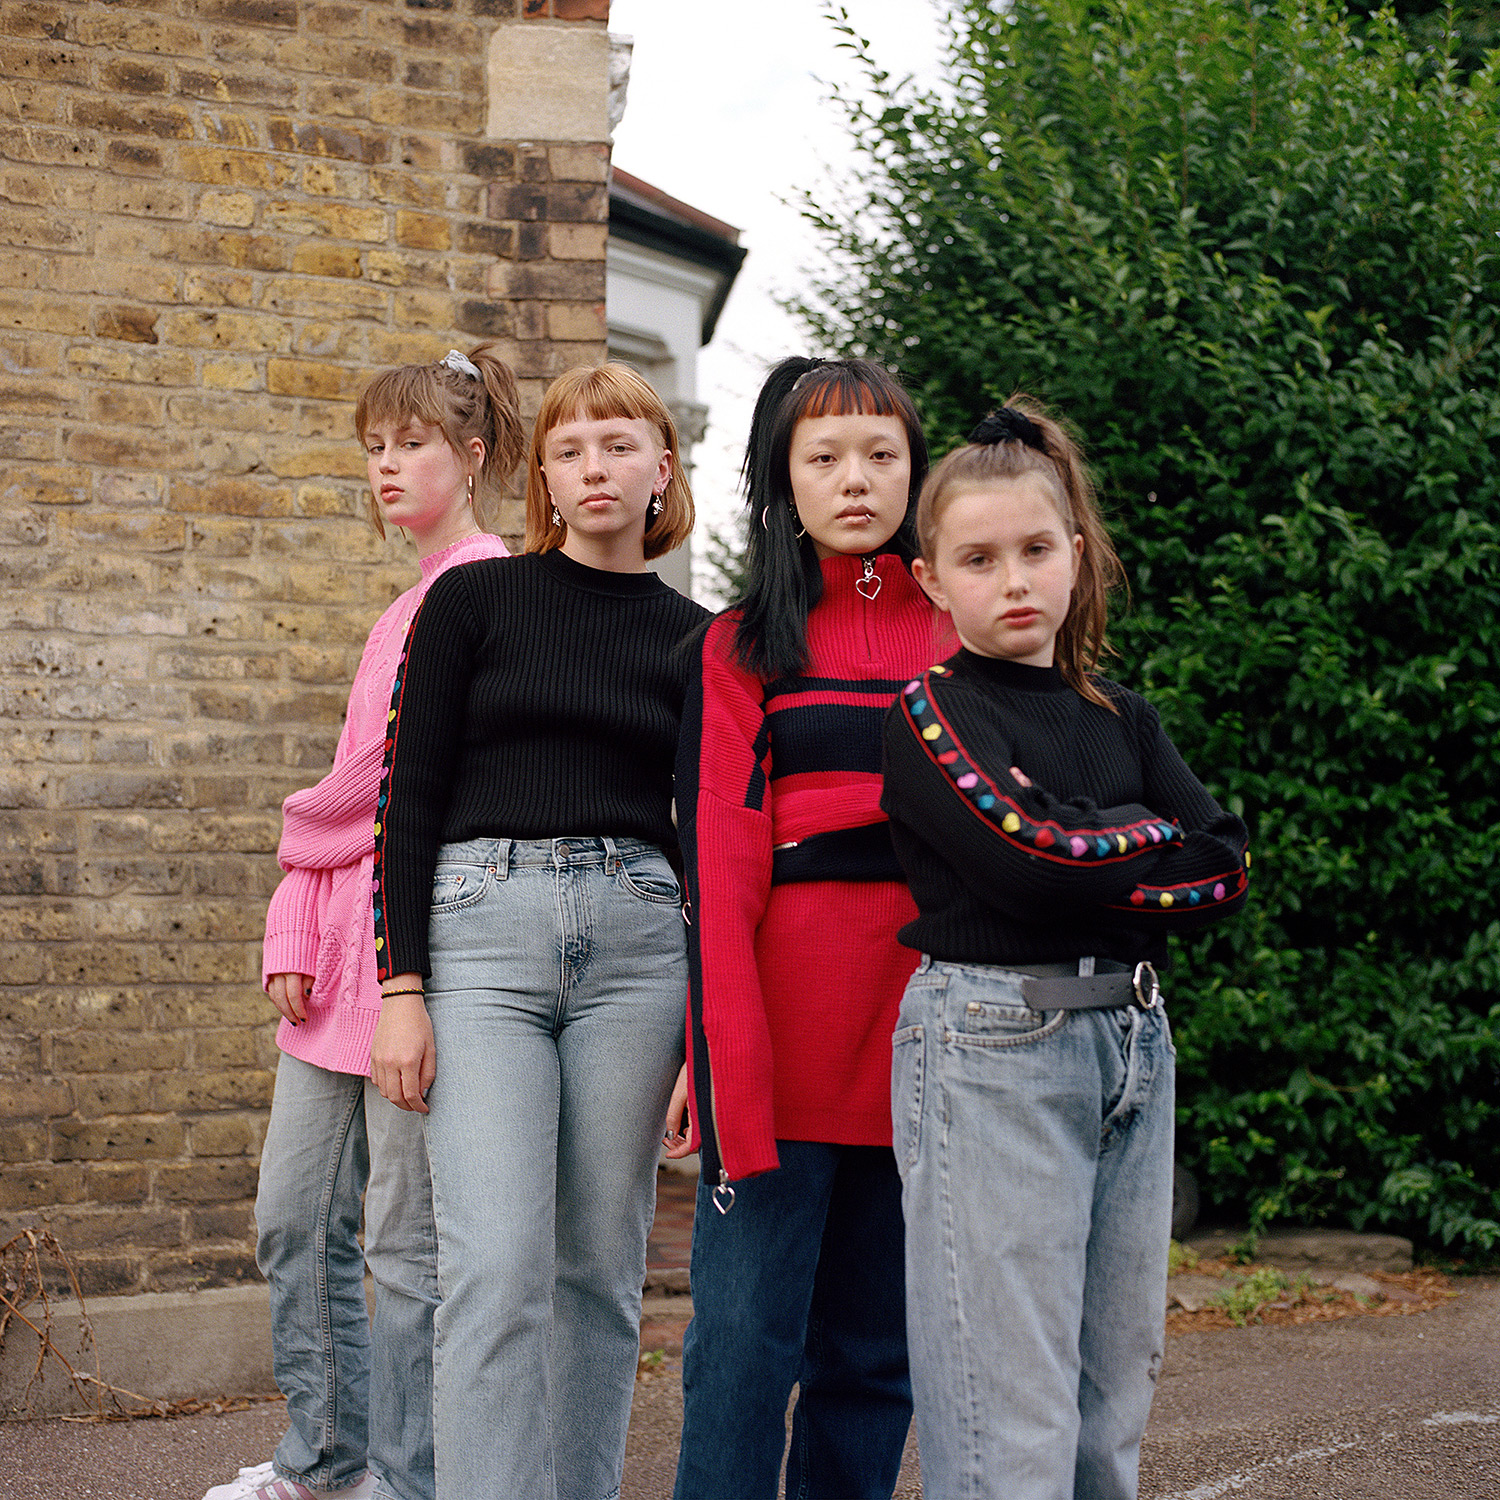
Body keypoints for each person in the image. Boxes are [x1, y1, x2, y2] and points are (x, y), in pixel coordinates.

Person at [880, 402, 1251, 1500]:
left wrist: (1095, 839)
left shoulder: (1122, 715)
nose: (1014, 581)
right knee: (1012, 1418)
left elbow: (1223, 866)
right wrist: (1142, 835)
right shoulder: (930, 713)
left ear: (1075, 557)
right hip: (997, 1044)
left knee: (1108, 1405)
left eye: (1036, 551)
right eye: (979, 559)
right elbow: (1030, 857)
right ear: (933, 581)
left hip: (1134, 1042)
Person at [367, 362, 709, 1500]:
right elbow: (407, 797)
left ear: (662, 468)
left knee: (599, 1272)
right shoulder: (476, 602)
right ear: (545, 479)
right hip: (482, 939)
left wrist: (709, 1033)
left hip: (639, 947)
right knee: (496, 1267)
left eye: (619, 445)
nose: (594, 468)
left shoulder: (700, 643)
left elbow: (711, 840)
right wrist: (400, 988)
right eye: (570, 451)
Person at [204, 347, 525, 1500]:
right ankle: (324, 1456)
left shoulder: (481, 591)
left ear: (473, 457)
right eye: (374, 449)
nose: (387, 467)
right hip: (334, 964)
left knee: (401, 1240)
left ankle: (406, 1475)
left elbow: (385, 787)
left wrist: (293, 833)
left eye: (414, 445)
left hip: (407, 963)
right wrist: (296, 916)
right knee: (294, 1219)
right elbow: (360, 791)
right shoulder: (403, 604)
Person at [667, 356, 935, 1500]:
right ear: (784, 478)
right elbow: (720, 873)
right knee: (738, 1348)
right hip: (779, 1038)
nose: (856, 479)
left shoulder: (967, 633)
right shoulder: (739, 649)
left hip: (932, 1042)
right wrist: (717, 1053)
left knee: (876, 1355)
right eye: (824, 457)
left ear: (918, 472)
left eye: (882, 453)